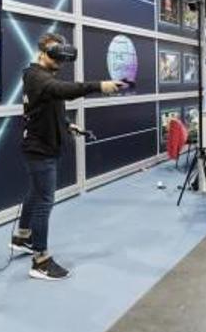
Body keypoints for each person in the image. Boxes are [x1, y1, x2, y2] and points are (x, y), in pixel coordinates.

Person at [11, 33, 123, 280]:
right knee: (45, 201)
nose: (59, 59)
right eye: (55, 52)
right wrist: (98, 86)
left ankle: (22, 237)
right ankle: (40, 260)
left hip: (42, 144)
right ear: (43, 52)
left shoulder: (45, 77)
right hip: (39, 149)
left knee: (36, 193)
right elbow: (63, 91)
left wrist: (67, 126)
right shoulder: (35, 76)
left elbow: (51, 108)